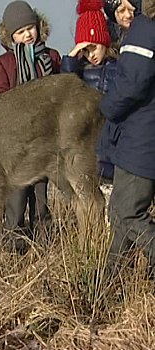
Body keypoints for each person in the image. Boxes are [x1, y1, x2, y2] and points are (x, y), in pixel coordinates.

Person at [0, 1, 61, 249]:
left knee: (41, 202)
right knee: (16, 201)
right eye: (20, 32)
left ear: (38, 27)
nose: (27, 34)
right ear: (10, 36)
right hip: (15, 146)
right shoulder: (4, 63)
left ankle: (44, 249)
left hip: (44, 142)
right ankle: (14, 250)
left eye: (30, 28)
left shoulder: (51, 57)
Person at [97, 0, 155, 275]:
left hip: (142, 136)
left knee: (127, 212)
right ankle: (109, 286)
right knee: (120, 213)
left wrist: (106, 107)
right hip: (143, 135)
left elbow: (132, 83)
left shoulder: (146, 27)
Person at [61, 0, 117, 189]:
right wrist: (72, 57)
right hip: (89, 149)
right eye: (85, 50)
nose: (90, 54)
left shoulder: (117, 68)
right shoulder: (80, 72)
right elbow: (65, 89)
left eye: (94, 47)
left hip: (114, 146)